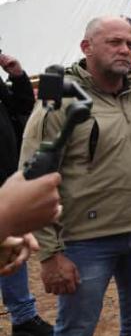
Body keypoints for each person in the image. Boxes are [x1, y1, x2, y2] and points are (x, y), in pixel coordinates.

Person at [19, 16, 131, 336]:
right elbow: (34, 178)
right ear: (86, 47)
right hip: (86, 241)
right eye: (114, 43)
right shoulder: (57, 99)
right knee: (77, 328)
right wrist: (50, 254)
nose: (124, 50)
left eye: (129, 44)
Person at [0, 52, 54, 335]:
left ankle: (23, 319)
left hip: (5, 179)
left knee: (11, 245)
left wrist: (18, 76)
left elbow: (22, 106)